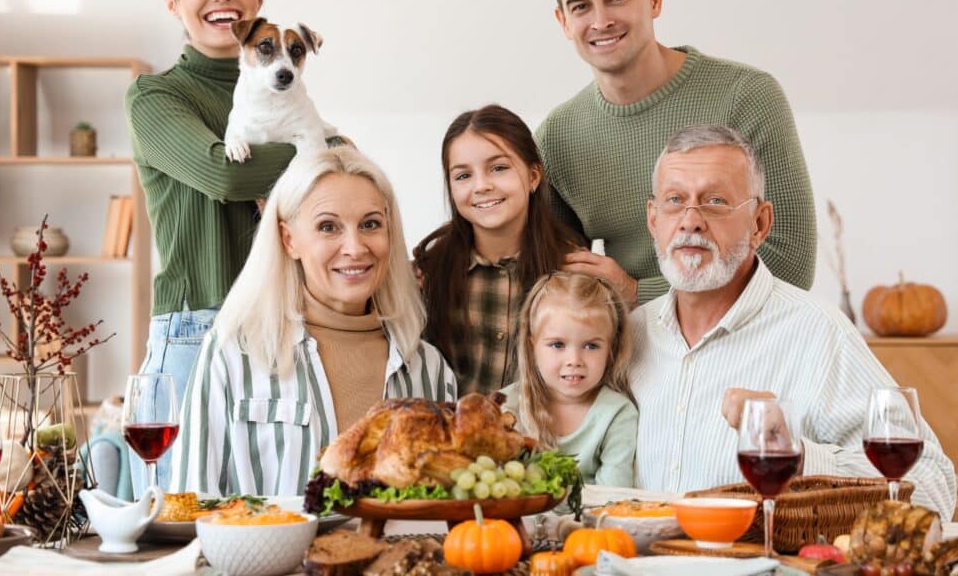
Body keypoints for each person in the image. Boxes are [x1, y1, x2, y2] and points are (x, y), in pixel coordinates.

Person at [629, 124, 956, 516]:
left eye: (715, 201)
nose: (690, 221)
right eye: (674, 200)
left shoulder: (817, 332)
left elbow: (934, 490)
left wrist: (798, 458)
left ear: (760, 224)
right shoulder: (629, 335)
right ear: (653, 219)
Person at [535, 0, 816, 306]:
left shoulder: (747, 96)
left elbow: (790, 263)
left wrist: (637, 293)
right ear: (563, 22)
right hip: (630, 352)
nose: (601, 21)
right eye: (580, 6)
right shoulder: (556, 137)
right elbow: (562, 286)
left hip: (745, 340)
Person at [170, 147, 458, 496]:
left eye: (370, 224)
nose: (354, 247)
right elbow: (189, 505)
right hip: (268, 553)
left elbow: (445, 510)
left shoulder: (428, 369)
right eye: (328, 227)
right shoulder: (234, 352)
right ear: (289, 239)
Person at [126, 0, 298, 493]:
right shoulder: (157, 97)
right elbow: (222, 173)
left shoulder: (281, 90)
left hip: (281, 328)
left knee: (271, 522)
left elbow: (341, 187)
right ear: (173, 2)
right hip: (195, 330)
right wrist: (312, 154)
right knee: (180, 522)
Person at [414, 105, 582, 395]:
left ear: (533, 176)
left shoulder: (572, 273)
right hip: (449, 436)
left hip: (541, 438)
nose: (481, 186)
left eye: (499, 168)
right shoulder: (428, 274)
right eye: (463, 176)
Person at [500, 272, 637, 487]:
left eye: (591, 346)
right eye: (557, 345)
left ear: (611, 350)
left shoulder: (617, 413)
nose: (574, 360)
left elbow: (613, 499)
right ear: (532, 346)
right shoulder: (506, 406)